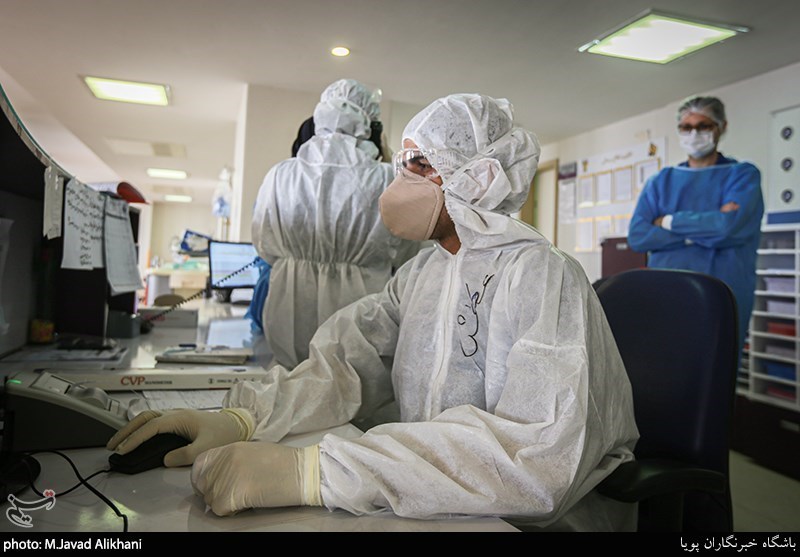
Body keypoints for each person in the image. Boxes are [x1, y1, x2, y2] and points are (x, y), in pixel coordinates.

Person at [107, 93, 639, 532]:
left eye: (418, 164)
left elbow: (537, 459)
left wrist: (315, 471)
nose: (398, 179)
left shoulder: (542, 275)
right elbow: (345, 363)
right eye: (403, 163)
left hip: (530, 522)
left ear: (477, 178)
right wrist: (244, 417)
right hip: (435, 502)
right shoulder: (423, 273)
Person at [250, 78, 420, 368]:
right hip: (361, 312)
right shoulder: (385, 178)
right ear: (370, 125)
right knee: (355, 385)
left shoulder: (280, 174)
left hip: (289, 311)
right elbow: (407, 253)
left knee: (291, 386)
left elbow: (264, 246)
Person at [627, 96, 764, 359]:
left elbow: (728, 228)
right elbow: (638, 236)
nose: (694, 134)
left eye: (703, 126)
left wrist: (668, 221)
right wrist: (702, 231)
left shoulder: (742, 175)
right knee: (664, 363)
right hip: (666, 289)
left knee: (717, 365)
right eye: (686, 127)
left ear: (721, 127)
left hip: (725, 290)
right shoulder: (661, 181)